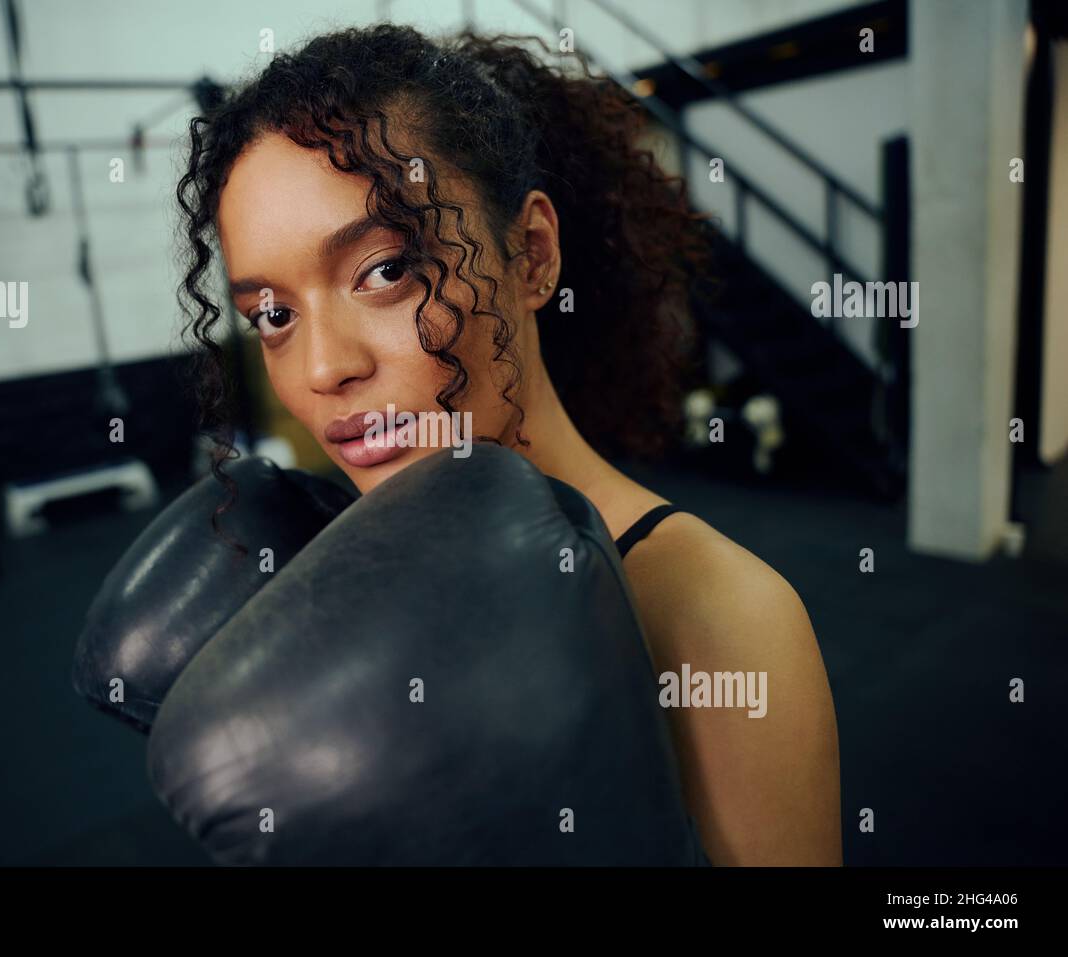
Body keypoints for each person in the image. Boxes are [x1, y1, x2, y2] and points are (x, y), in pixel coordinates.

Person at [174, 23, 842, 866]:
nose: (323, 368)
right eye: (273, 313)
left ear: (529, 256)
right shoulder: (340, 577)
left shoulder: (721, 622)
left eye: (386, 270)